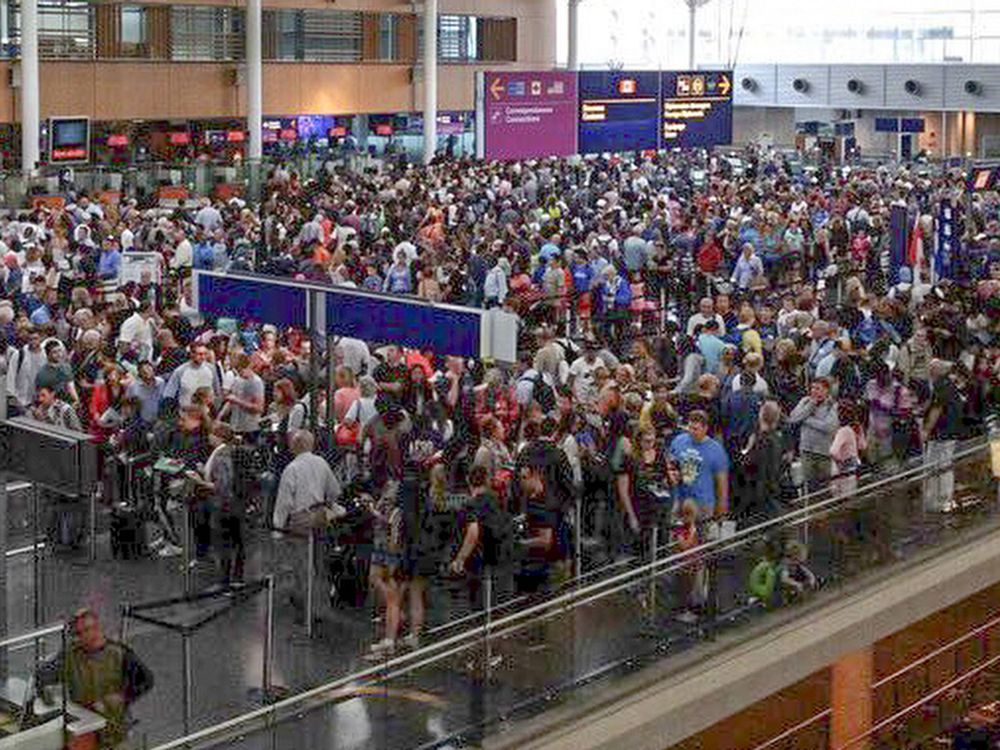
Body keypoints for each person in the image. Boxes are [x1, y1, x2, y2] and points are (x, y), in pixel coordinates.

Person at [37, 609, 153, 749]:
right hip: (83, 727)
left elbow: (146, 680)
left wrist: (123, 696)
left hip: (113, 727)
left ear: (95, 629)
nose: (80, 638)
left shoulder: (119, 654)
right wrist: (44, 689)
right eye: (77, 634)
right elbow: (44, 675)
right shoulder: (71, 655)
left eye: (83, 632)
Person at [273, 430, 346, 623]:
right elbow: (334, 490)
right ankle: (321, 609)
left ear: (294, 446)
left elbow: (284, 502)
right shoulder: (322, 463)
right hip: (320, 516)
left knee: (302, 567)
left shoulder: (292, 468)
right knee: (320, 565)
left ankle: (306, 613)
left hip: (300, 520)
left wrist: (278, 529)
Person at [788, 377, 840, 491]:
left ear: (826, 390)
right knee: (809, 486)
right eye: (812, 388)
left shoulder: (833, 405)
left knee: (824, 487)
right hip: (806, 451)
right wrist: (811, 405)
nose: (813, 391)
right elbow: (793, 418)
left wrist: (805, 420)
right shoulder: (805, 401)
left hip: (824, 453)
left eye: (817, 388)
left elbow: (828, 427)